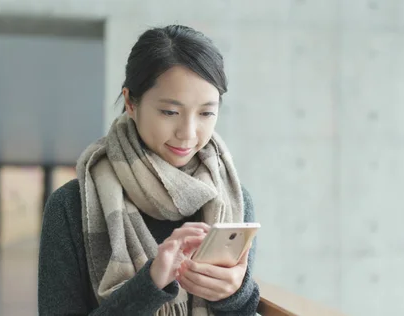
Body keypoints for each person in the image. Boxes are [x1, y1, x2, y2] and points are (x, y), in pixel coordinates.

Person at [38, 25, 260, 315]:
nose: (188, 133)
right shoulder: (70, 206)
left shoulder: (234, 201)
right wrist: (150, 283)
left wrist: (236, 294)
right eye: (170, 112)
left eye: (206, 113)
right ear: (131, 102)